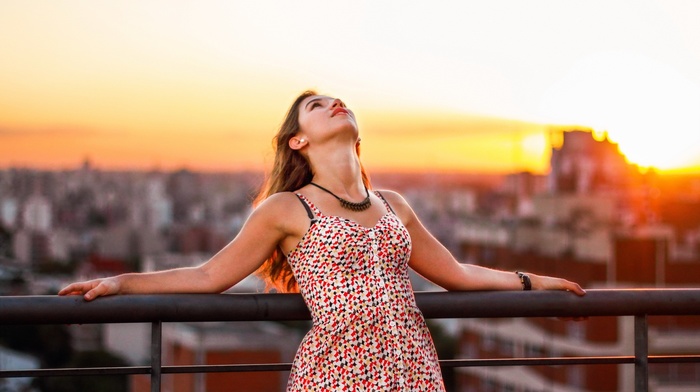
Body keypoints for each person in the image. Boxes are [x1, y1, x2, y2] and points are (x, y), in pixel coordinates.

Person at [60, 90, 586, 391]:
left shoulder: (395, 204)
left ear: (358, 133)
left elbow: (458, 274)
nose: (334, 102)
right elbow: (209, 276)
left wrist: (532, 280)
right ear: (299, 140)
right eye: (316, 105)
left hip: (414, 368)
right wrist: (121, 282)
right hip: (337, 370)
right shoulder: (286, 208)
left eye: (336, 99)